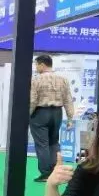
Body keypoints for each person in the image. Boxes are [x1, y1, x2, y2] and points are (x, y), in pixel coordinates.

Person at [29, 54, 75, 182]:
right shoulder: (63, 79)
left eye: (36, 64)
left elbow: (32, 100)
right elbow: (68, 100)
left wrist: (27, 115)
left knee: (42, 144)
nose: (36, 67)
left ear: (42, 65)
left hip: (40, 113)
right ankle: (56, 172)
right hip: (57, 113)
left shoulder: (36, 80)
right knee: (54, 142)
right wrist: (70, 118)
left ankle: (45, 174)